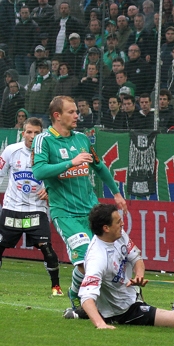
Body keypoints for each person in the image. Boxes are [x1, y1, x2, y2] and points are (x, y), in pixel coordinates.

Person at [32, 96, 127, 312]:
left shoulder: (82, 139)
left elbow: (100, 166)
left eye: (77, 111)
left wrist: (116, 193)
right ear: (57, 116)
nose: (77, 115)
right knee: (85, 260)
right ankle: (77, 295)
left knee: (107, 259)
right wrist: (70, 163)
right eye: (71, 112)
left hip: (91, 211)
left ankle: (102, 300)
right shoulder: (44, 140)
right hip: (65, 213)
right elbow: (38, 171)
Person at [74, 203, 174, 329]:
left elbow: (136, 258)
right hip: (123, 312)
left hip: (132, 297)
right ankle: (99, 315)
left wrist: (139, 276)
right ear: (106, 228)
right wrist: (101, 325)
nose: (123, 224)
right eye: (118, 221)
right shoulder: (97, 258)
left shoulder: (119, 235)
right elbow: (86, 297)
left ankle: (84, 313)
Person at [0, 117, 62, 296]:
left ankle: (56, 287)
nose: (32, 136)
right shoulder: (11, 151)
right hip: (12, 209)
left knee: (46, 247)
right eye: (29, 132)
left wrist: (50, 190)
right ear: (23, 133)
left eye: (36, 133)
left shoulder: (50, 152)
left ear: (42, 134)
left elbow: (60, 177)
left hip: (36, 210)